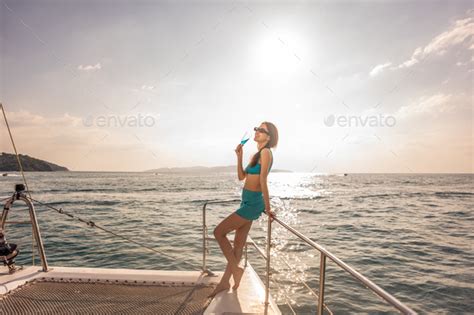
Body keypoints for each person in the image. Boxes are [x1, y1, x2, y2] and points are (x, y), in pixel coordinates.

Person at [208, 121, 278, 298]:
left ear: (269, 137)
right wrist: (239, 156)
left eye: (261, 130)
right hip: (246, 202)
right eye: (257, 128)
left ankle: (235, 270)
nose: (257, 131)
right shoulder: (256, 155)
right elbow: (241, 177)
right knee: (238, 244)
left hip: (254, 203)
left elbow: (263, 181)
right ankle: (226, 282)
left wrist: (268, 209)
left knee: (219, 232)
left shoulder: (266, 152)